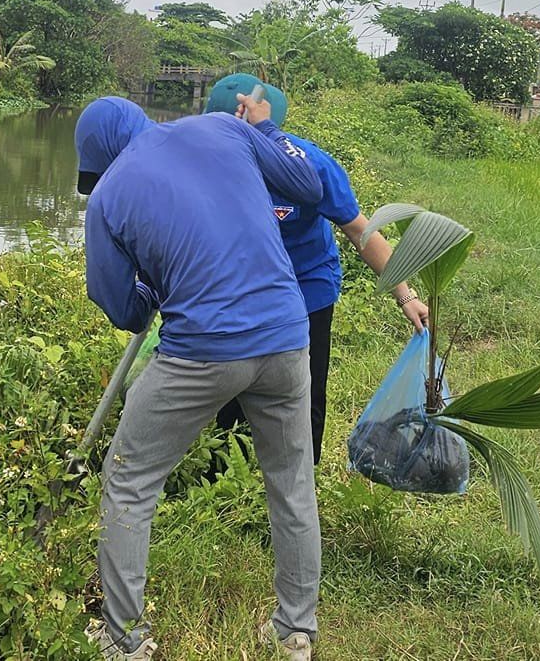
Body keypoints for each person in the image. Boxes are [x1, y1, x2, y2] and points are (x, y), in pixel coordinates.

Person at [75, 95, 323, 661]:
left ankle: (122, 641)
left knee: (130, 478)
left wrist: (154, 285)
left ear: (98, 155)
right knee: (291, 479)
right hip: (288, 333)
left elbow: (124, 310)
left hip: (203, 350)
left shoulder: (108, 198)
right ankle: (295, 631)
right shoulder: (222, 128)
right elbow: (306, 187)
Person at [201, 74, 431, 469]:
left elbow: (361, 231)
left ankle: (302, 471)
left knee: (303, 391)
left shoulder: (311, 166)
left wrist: (406, 294)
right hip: (239, 288)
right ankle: (224, 475)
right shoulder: (203, 166)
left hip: (306, 287)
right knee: (231, 388)